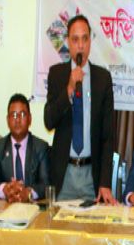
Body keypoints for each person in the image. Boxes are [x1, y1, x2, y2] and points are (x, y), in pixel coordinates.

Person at [44, 14, 117, 204]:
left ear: (90, 41)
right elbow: (49, 121)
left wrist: (105, 182)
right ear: (68, 42)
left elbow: (108, 136)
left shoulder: (102, 79)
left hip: (91, 176)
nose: (81, 46)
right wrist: (69, 88)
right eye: (75, 40)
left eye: (85, 39)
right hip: (64, 175)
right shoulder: (56, 74)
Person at [0, 94, 49, 202]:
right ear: (7, 119)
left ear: (30, 119)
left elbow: (46, 184)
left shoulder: (41, 147)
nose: (18, 120)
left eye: (22, 114)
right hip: (6, 207)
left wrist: (28, 193)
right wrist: (5, 190)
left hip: (33, 207)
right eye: (13, 115)